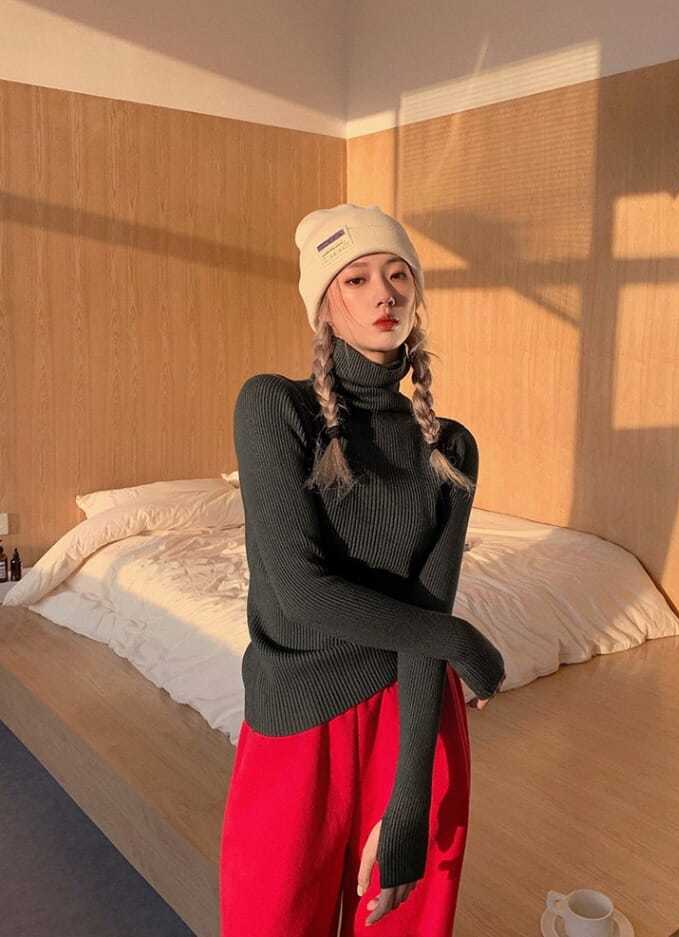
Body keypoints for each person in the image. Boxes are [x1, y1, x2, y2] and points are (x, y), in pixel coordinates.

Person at [220, 203, 506, 937]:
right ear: (325, 305)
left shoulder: (451, 448)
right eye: (356, 278)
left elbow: (424, 612)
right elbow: (301, 591)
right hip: (298, 717)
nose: (384, 292)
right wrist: (461, 639)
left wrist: (410, 797)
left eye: (398, 274)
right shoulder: (274, 407)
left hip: (414, 715)